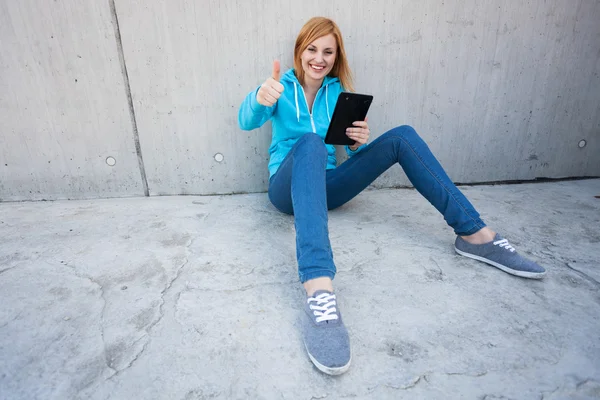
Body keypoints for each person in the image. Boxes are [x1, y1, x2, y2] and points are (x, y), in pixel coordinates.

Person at [238, 17, 546, 376]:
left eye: (327, 52)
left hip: (325, 188)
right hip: (284, 189)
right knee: (309, 143)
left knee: (401, 136)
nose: (318, 58)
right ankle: (319, 290)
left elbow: (346, 154)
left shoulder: (338, 93)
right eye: (311, 49)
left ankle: (476, 235)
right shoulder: (280, 86)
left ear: (336, 57)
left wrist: (356, 143)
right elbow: (246, 120)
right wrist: (259, 100)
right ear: (299, 50)